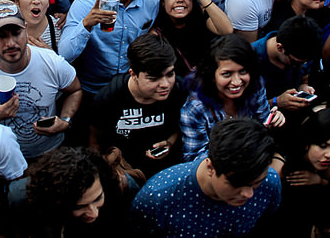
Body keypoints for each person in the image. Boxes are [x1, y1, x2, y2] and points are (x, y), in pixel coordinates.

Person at [0, 0, 82, 160]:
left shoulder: (51, 62)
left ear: (25, 29)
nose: (10, 43)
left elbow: (75, 90)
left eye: (16, 33)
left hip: (50, 152)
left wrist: (65, 121)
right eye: (1, 36)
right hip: (4, 156)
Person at [130, 117, 281, 238]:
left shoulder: (270, 183)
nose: (249, 194)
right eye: (237, 184)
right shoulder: (156, 198)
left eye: (256, 183)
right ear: (210, 167)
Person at [58, 0, 160, 94]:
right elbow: (64, 54)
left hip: (129, 88)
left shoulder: (151, 4)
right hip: (91, 89)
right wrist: (86, 24)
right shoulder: (86, 2)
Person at [90, 33, 186, 179]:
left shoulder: (179, 90)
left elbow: (182, 126)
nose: (165, 84)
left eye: (170, 74)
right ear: (133, 74)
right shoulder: (108, 98)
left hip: (165, 172)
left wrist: (170, 143)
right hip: (124, 173)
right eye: (154, 78)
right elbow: (95, 141)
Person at [179, 34, 280, 161]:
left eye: (243, 71)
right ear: (212, 75)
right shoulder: (196, 108)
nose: (237, 82)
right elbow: (194, 158)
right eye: (227, 74)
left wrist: (272, 121)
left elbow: (262, 126)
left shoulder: (255, 86)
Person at [15, 146, 130, 238]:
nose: (93, 213)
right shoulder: (25, 203)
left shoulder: (121, 189)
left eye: (98, 198)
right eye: (80, 207)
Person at [153, 0, 234, 75]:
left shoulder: (200, 16)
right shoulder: (157, 33)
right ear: (163, 2)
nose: (180, 0)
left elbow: (227, 30)